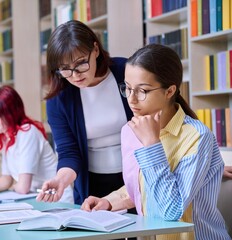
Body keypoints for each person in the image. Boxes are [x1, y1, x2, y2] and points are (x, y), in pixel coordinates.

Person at [81, 44, 231, 240]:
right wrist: (109, 202)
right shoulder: (130, 130)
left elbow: (171, 211)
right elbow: (142, 185)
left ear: (169, 91)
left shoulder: (197, 136)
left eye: (142, 90)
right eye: (127, 88)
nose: (132, 100)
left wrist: (151, 144)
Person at [35, 20, 133, 205]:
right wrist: (61, 180)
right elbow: (68, 152)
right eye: (65, 69)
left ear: (95, 50)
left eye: (81, 63)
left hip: (136, 176)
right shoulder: (59, 99)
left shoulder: (126, 71)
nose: (75, 75)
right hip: (92, 183)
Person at [0, 86, 73, 203]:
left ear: (11, 113)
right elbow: (7, 178)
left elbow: (23, 188)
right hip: (36, 199)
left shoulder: (27, 132)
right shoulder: (7, 135)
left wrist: (14, 188)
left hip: (57, 200)